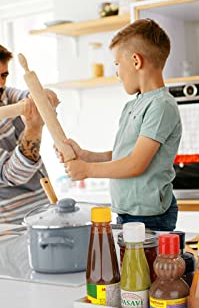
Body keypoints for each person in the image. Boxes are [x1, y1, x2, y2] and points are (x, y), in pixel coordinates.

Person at [59, 19, 182, 231]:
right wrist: (88, 156)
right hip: (128, 212)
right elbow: (124, 155)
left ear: (136, 61)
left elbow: (135, 164)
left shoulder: (161, 106)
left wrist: (87, 170)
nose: (117, 73)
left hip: (149, 216)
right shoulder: (133, 105)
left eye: (117, 64)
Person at [0, 44, 59, 224]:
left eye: (3, 75)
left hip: (42, 211)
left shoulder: (5, 95)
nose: (0, 83)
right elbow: (14, 175)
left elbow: (41, 99)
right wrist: (33, 128)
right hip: (10, 228)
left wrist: (44, 97)